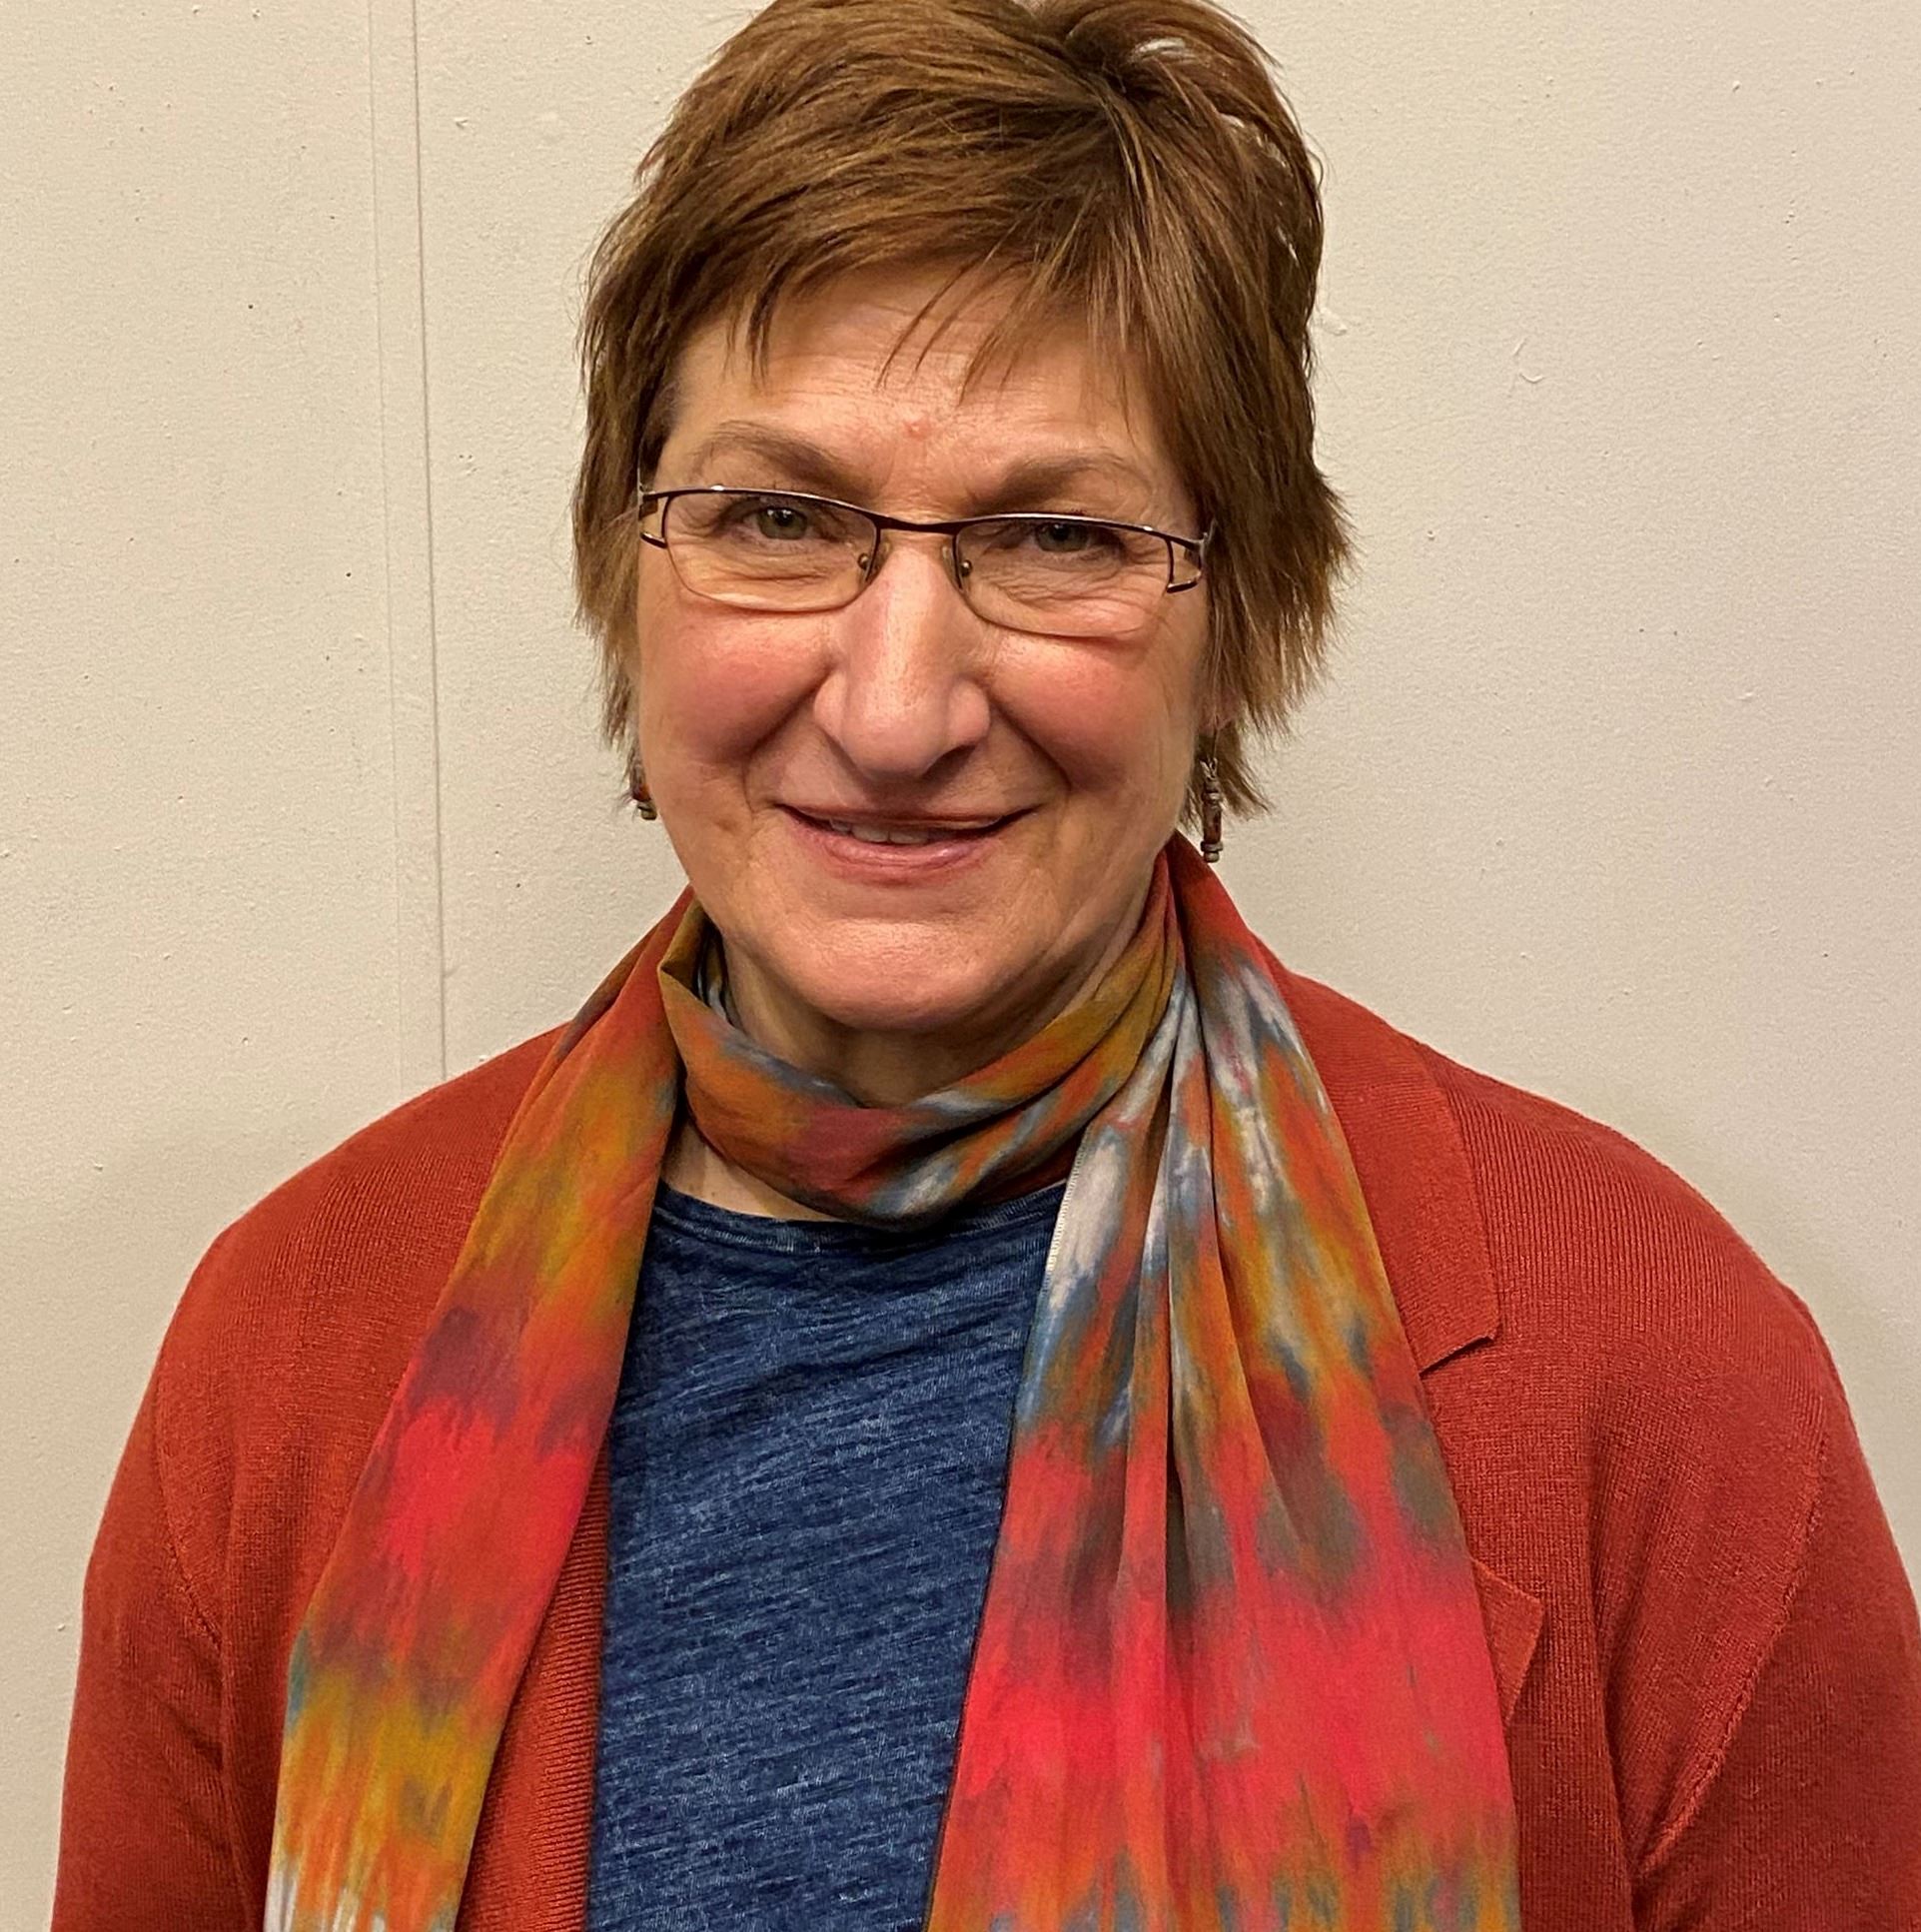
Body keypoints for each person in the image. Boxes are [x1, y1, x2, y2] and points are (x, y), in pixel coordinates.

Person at [52, 0, 1921, 1925]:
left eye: (1055, 536)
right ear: (626, 570)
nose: (896, 706)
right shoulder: (288, 1349)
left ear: (1244, 616)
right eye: (778, 518)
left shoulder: (1658, 1383)